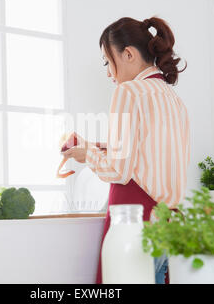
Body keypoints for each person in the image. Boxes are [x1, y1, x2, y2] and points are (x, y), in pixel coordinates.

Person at [62, 16, 190, 284]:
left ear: (128, 54)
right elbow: (150, 152)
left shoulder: (128, 92)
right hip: (170, 225)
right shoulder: (172, 97)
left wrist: (88, 155)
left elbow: (119, 171)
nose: (109, 73)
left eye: (108, 62)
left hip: (135, 223)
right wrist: (102, 147)